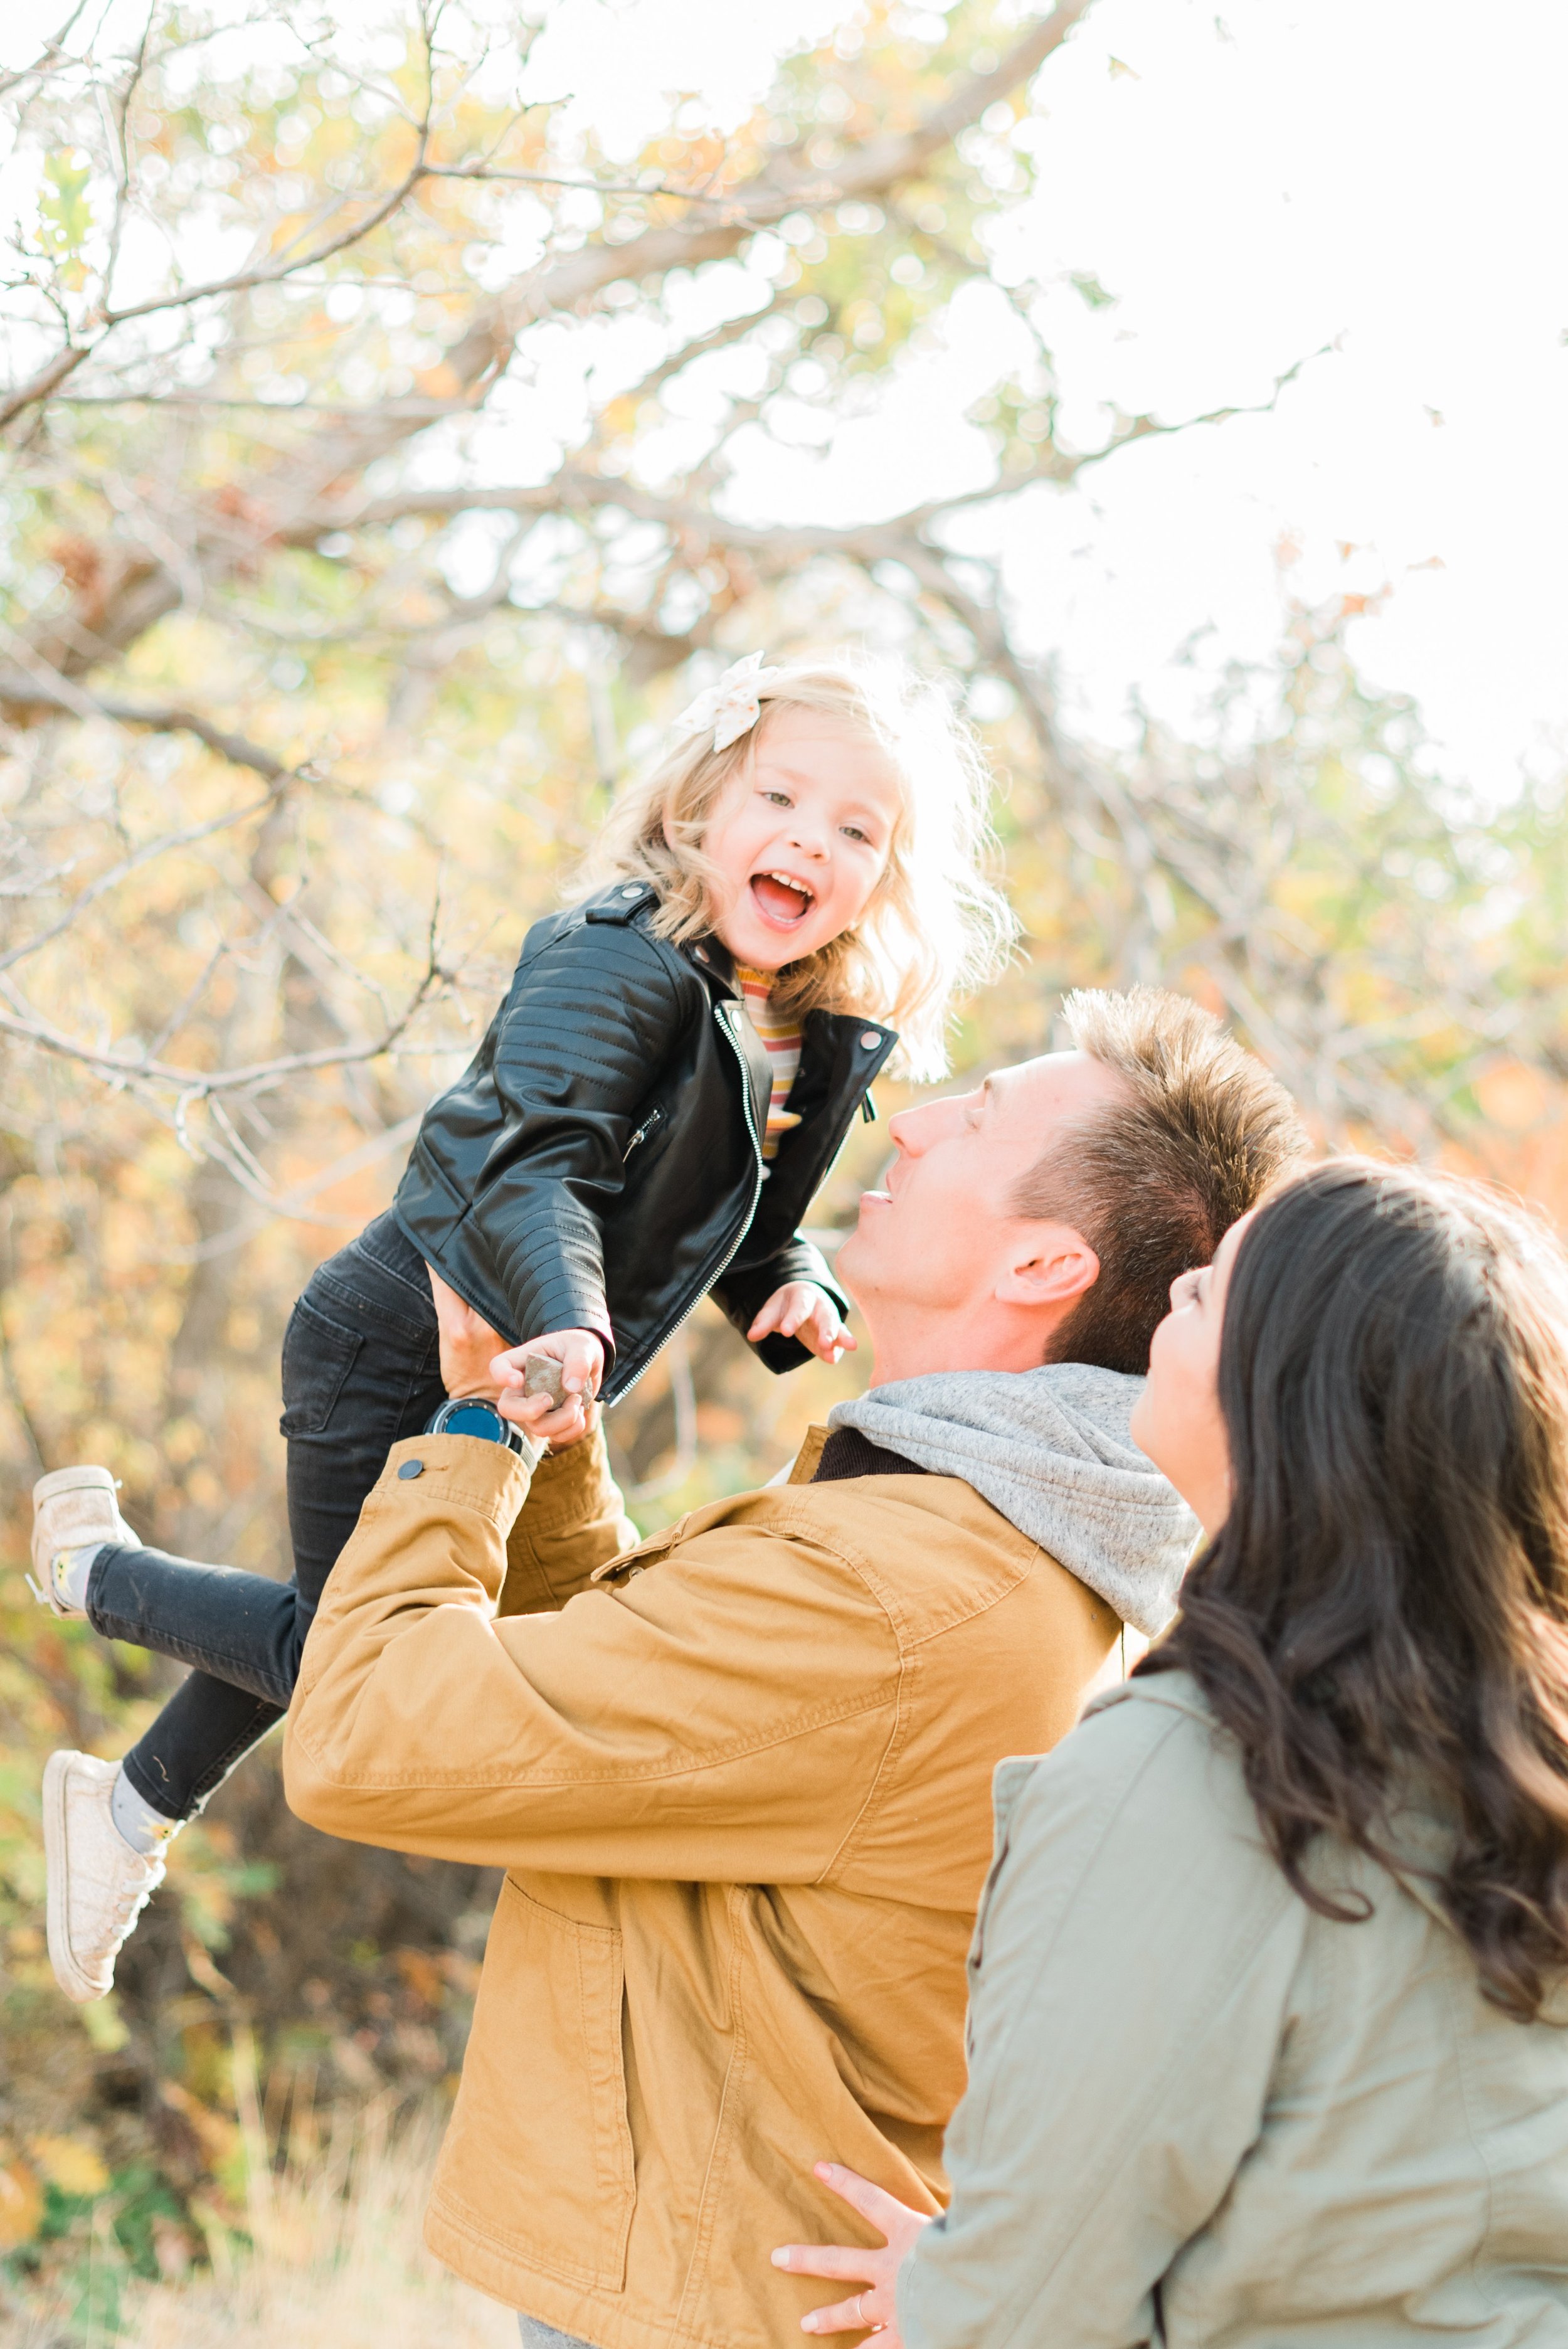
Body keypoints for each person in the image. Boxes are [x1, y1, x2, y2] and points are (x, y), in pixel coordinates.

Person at [279, 989, 1304, 2349]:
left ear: (1040, 1269)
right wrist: (555, 1439)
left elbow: (363, 1742)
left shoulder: (901, 1587)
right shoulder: (968, 1523)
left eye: (980, 1115)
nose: (918, 1120)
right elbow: (654, 1702)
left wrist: (471, 1432)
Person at [31, 647, 1019, 2003]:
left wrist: (798, 1294)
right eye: (780, 797)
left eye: (857, 828)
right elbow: (530, 1163)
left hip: (529, 1369)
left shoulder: (814, 1030)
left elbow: (729, 1214)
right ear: (696, 812)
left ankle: (126, 1802)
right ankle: (97, 1583)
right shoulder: (618, 960)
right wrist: (569, 1326)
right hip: (405, 1326)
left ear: (888, 875)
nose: (811, 838)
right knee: (354, 1659)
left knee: (355, 1631)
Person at [773, 1157, 1568, 2348]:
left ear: (1288, 1395)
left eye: (1216, 1290)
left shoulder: (1194, 1776)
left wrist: (955, 2293)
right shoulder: (1521, 1745)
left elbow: (1031, 2308)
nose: (1181, 1285)